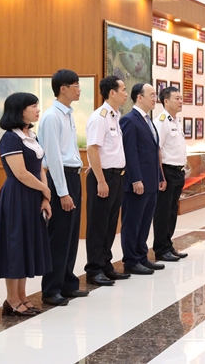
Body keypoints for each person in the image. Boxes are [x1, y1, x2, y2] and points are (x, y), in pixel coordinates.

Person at [0, 92, 52, 317]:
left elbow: (40, 168)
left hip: (33, 194)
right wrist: (45, 189)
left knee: (27, 244)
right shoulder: (10, 138)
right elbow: (21, 173)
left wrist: (45, 197)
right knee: (15, 245)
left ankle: (23, 295)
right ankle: (12, 299)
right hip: (17, 195)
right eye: (32, 106)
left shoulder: (31, 136)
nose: (37, 109)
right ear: (19, 110)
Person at [39, 70, 86, 307]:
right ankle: (51, 289)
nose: (79, 89)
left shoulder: (68, 114)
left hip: (73, 177)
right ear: (63, 89)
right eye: (75, 85)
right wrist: (63, 192)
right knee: (58, 236)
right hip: (61, 179)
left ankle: (67, 282)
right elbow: (54, 157)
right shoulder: (52, 117)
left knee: (71, 234)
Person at [85, 75, 130, 287]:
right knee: (98, 225)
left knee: (111, 224)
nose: (126, 94)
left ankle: (105, 264)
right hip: (103, 177)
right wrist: (101, 181)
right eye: (123, 90)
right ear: (112, 93)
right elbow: (92, 149)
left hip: (117, 177)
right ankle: (94, 269)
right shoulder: (100, 117)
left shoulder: (115, 116)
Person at [120, 83, 166, 275]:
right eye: (152, 95)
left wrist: (160, 176)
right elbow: (130, 153)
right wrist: (135, 179)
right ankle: (131, 260)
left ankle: (141, 256)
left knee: (145, 221)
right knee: (133, 222)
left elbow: (153, 152)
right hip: (137, 183)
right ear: (139, 98)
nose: (155, 98)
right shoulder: (129, 120)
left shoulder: (148, 120)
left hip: (151, 181)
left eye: (155, 95)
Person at [152, 86, 189, 262]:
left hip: (178, 171)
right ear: (166, 101)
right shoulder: (161, 121)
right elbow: (156, 150)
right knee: (163, 212)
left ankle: (168, 244)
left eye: (181, 98)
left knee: (172, 211)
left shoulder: (176, 120)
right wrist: (161, 176)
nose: (180, 101)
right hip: (167, 171)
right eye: (177, 98)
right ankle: (160, 248)